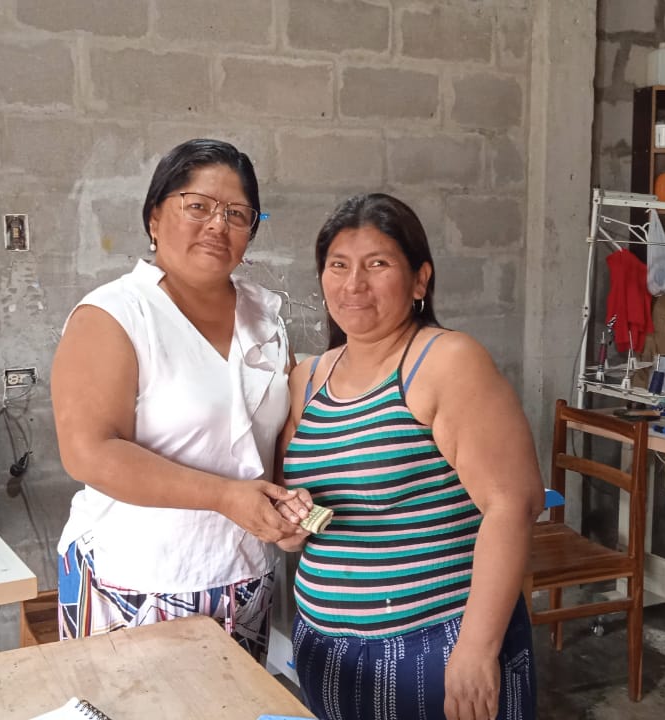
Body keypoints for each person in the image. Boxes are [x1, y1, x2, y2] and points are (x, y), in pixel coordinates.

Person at [279, 193, 546, 720]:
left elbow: (514, 504)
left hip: (435, 645)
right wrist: (289, 523)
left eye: (377, 264)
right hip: (325, 650)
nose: (354, 283)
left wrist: (476, 649)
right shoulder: (307, 379)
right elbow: (295, 512)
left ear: (420, 280)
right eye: (338, 265)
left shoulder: (445, 361)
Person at [51, 138, 309, 660]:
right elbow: (89, 452)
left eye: (237, 214)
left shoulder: (264, 318)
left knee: (238, 702)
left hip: (243, 576)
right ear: (154, 217)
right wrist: (225, 496)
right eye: (198, 206)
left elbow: (270, 443)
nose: (218, 225)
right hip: (137, 579)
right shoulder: (116, 314)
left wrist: (288, 508)